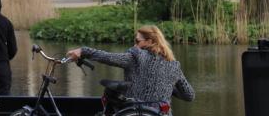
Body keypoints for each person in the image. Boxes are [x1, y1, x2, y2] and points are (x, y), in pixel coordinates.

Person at [66, 25, 194, 112]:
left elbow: (108, 57)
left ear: (149, 41)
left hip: (134, 111)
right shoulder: (173, 65)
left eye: (137, 41)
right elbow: (189, 95)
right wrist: (167, 85)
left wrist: (84, 50)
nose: (134, 44)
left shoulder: (135, 57)